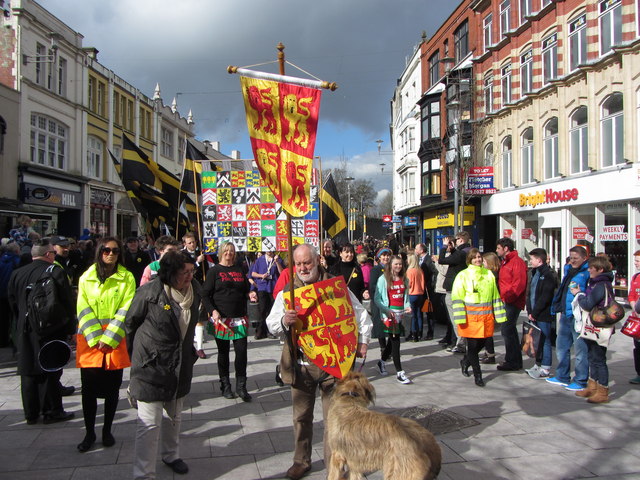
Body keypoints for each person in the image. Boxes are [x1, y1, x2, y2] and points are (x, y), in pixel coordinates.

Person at [266, 243, 371, 480]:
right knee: (301, 417)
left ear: (317, 260)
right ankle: (301, 461)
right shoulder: (288, 292)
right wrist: (284, 320)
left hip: (333, 366)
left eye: (307, 262)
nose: (303, 267)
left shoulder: (335, 286)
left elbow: (359, 314)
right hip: (301, 365)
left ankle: (335, 469)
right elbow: (271, 324)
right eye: (299, 263)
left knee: (334, 421)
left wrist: (363, 340)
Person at [126, 250, 206, 479]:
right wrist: (139, 356)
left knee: (174, 416)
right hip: (151, 366)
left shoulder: (195, 291)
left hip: (180, 363)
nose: (190, 276)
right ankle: (144, 473)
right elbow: (130, 323)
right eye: (185, 272)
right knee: (149, 424)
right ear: (170, 273)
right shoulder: (149, 293)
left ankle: (171, 455)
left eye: (192, 271)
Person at [75, 237, 136, 452]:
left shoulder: (126, 277)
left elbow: (126, 308)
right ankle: (89, 432)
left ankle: (107, 430)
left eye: (116, 251)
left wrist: (108, 339)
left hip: (114, 340)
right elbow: (82, 307)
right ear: (99, 251)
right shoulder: (86, 277)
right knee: (88, 391)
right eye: (106, 250)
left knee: (112, 390)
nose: (111, 254)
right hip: (90, 341)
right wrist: (95, 338)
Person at [7, 239, 76, 425]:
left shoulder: (17, 273)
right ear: (48, 254)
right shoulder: (55, 271)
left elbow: (12, 302)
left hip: (25, 327)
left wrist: (19, 322)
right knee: (50, 369)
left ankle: (31, 413)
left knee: (28, 370)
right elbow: (67, 302)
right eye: (53, 253)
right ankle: (52, 410)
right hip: (51, 328)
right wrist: (71, 328)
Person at [202, 241, 253, 401]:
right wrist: (213, 311)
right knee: (223, 353)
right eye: (226, 251)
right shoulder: (214, 271)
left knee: (241, 352)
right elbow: (204, 294)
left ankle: (241, 387)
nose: (229, 254)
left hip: (239, 318)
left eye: (231, 251)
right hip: (221, 319)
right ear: (221, 253)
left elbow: (245, 289)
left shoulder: (239, 269)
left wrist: (250, 295)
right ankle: (225, 385)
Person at [452, 249, 506, 387]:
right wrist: (460, 318)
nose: (477, 260)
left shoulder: (488, 274)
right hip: (470, 318)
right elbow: (457, 297)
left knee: (482, 343)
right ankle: (478, 375)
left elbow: (495, 295)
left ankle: (466, 361)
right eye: (474, 258)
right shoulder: (462, 275)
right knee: (472, 345)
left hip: (486, 317)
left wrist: (499, 315)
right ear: (469, 260)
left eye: (479, 257)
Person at [570, 256, 616, 403]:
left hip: (600, 325)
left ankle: (603, 391)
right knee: (591, 356)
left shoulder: (601, 284)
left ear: (600, 269)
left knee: (599, 359)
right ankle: (592, 386)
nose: (589, 270)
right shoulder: (596, 283)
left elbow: (588, 304)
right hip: (592, 326)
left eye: (592, 268)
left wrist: (578, 294)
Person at [546, 245, 590, 391]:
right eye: (571, 258)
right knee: (561, 347)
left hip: (578, 315)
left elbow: (587, 293)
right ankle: (562, 376)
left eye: (576, 258)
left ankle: (581, 380)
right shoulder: (568, 270)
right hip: (565, 313)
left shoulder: (587, 272)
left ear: (584, 258)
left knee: (580, 350)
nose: (572, 261)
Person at [374, 254, 412, 384]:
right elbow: (377, 298)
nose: (398, 266)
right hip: (389, 314)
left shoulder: (404, 279)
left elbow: (405, 297)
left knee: (392, 340)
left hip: (400, 313)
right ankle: (400, 372)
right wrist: (386, 310)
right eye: (396, 264)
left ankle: (381, 362)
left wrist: (407, 306)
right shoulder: (383, 279)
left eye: (400, 264)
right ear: (390, 265)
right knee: (396, 341)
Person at [436, 231, 472, 353]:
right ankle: (461, 342)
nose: (453, 243)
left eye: (455, 240)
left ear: (461, 240)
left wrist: (444, 247)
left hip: (454, 289)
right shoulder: (467, 251)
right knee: (459, 317)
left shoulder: (461, 253)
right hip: (461, 287)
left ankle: (461, 343)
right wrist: (451, 250)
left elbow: (441, 260)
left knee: (456, 318)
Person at [495, 237, 528, 372]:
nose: (496, 251)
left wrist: (508, 298)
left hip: (512, 301)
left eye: (498, 248)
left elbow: (519, 283)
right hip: (507, 299)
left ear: (506, 248)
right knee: (509, 330)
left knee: (507, 330)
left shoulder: (516, 262)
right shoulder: (506, 262)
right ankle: (514, 360)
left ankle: (512, 361)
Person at [524, 248, 558, 380]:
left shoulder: (548, 274)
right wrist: (530, 310)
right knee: (536, 340)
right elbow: (530, 293)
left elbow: (545, 296)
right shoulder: (533, 272)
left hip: (543, 313)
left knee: (545, 340)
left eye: (532, 259)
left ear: (539, 260)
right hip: (534, 312)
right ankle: (538, 364)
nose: (530, 261)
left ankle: (545, 367)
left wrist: (536, 312)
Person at [182, 233, 209, 360]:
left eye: (194, 242)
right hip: (186, 289)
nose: (193, 245)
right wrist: (197, 263)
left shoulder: (202, 253)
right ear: (185, 244)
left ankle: (200, 347)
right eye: (190, 243)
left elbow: (207, 271)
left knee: (200, 317)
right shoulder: (181, 255)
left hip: (200, 289)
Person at [250, 250, 284, 339]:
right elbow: (253, 273)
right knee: (262, 309)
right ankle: (260, 331)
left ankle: (270, 331)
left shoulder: (278, 259)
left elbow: (282, 273)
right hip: (263, 287)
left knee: (271, 310)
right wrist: (261, 276)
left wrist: (277, 263)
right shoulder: (260, 260)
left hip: (273, 287)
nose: (269, 251)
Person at [369, 247, 392, 375]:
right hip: (380, 303)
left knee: (393, 330)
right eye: (383, 256)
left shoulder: (393, 269)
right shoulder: (375, 270)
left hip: (392, 303)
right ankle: (383, 348)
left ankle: (386, 351)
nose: (386, 258)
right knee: (381, 328)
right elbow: (372, 286)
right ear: (379, 257)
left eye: (388, 256)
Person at [479, 251, 501, 364]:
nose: (482, 263)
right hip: (488, 306)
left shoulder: (491, 275)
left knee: (487, 333)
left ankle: (490, 354)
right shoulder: (492, 274)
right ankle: (488, 353)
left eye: (484, 261)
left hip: (489, 306)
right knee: (487, 332)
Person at [0, 242, 21, 347]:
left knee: (3, 318)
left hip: (1, 295)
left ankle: (3, 340)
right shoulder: (17, 261)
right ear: (17, 251)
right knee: (15, 318)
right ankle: (14, 340)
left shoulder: (1, 260)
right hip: (13, 295)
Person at [415, 243, 437, 340]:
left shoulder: (428, 260)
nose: (415, 250)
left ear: (421, 250)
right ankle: (419, 332)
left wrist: (431, 284)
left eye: (416, 248)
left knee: (429, 311)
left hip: (428, 289)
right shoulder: (419, 260)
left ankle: (430, 332)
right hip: (421, 289)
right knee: (421, 310)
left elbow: (435, 272)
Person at [433, 237, 453, 346]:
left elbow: (444, 271)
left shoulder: (451, 257)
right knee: (447, 316)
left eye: (447, 245)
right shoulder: (446, 256)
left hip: (445, 289)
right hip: (441, 288)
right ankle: (448, 336)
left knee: (449, 316)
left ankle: (450, 338)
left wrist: (436, 263)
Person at [405, 252, 425, 342]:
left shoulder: (410, 271)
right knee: (419, 314)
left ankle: (414, 334)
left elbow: (408, 284)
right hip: (420, 293)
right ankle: (420, 333)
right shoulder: (420, 270)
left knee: (413, 315)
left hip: (412, 294)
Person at [629, 250, 640, 385]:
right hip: (637, 318)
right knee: (637, 348)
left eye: (638, 261)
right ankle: (639, 373)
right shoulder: (635, 277)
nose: (636, 263)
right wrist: (635, 309)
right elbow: (631, 295)